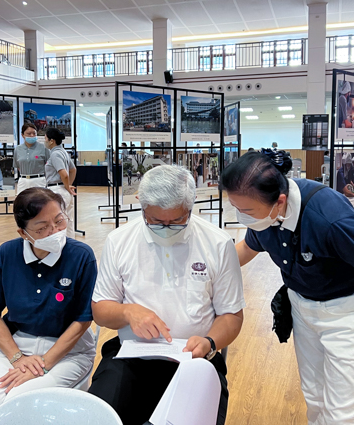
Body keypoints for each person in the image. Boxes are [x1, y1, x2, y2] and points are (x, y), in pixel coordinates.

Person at [220, 150, 354, 425]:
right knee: (316, 398)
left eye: (245, 211)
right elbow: (247, 247)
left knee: (346, 414)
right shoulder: (264, 212)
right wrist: (210, 269)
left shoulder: (328, 218)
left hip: (353, 312)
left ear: (280, 202)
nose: (241, 216)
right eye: (236, 208)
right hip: (303, 306)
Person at [89, 165, 245, 425]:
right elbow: (100, 309)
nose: (166, 228)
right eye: (156, 221)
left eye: (176, 221)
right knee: (99, 418)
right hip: (130, 356)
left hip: (194, 360)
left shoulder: (218, 244)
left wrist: (209, 341)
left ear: (191, 208)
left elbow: (232, 315)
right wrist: (128, 311)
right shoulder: (120, 240)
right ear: (142, 207)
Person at [0, 188, 97, 425]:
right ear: (23, 232)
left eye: (59, 221)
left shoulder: (81, 256)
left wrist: (44, 363)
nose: (55, 231)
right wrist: (17, 358)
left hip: (68, 352)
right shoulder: (7, 253)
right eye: (42, 228)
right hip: (16, 346)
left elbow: (82, 321)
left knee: (18, 402)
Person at [44, 128, 77, 238]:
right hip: (62, 189)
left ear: (51, 141)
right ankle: (70, 245)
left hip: (57, 190)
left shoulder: (55, 154)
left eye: (45, 138)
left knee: (58, 222)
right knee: (68, 220)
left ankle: (61, 246)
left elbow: (65, 174)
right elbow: (73, 170)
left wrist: (67, 186)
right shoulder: (63, 152)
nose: (44, 141)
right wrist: (67, 186)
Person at [14, 123, 49, 194]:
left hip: (39, 181)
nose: (32, 135)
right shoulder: (18, 149)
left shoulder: (44, 148)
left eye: (34, 133)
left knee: (39, 202)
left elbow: (49, 165)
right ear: (22, 135)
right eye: (29, 133)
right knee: (22, 203)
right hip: (23, 181)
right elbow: (18, 166)